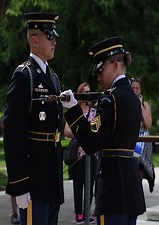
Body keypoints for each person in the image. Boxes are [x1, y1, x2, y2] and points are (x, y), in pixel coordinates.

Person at [61, 36, 146, 225]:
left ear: (115, 66)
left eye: (101, 69)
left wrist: (73, 109)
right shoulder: (133, 97)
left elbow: (91, 143)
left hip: (113, 186)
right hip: (130, 184)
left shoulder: (110, 99)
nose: (98, 76)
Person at [3, 12, 64, 225]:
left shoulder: (54, 78)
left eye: (54, 36)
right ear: (34, 40)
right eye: (49, 37)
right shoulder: (24, 76)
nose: (54, 41)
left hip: (52, 176)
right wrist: (19, 184)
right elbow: (12, 133)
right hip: (34, 178)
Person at [64, 82, 97, 224]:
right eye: (84, 92)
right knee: (78, 185)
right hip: (78, 156)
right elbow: (66, 130)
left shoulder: (95, 111)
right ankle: (78, 213)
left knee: (90, 186)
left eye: (89, 92)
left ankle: (86, 211)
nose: (86, 94)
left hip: (92, 155)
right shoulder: (75, 110)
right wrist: (81, 133)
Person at [131, 78, 155, 192]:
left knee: (140, 165)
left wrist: (140, 106)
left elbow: (149, 124)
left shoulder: (144, 105)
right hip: (131, 137)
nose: (135, 90)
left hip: (143, 138)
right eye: (133, 88)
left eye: (137, 88)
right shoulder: (127, 102)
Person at [0, 117, 20, 225]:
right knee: (13, 183)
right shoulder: (11, 109)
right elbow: (2, 124)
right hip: (13, 151)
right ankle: (15, 212)